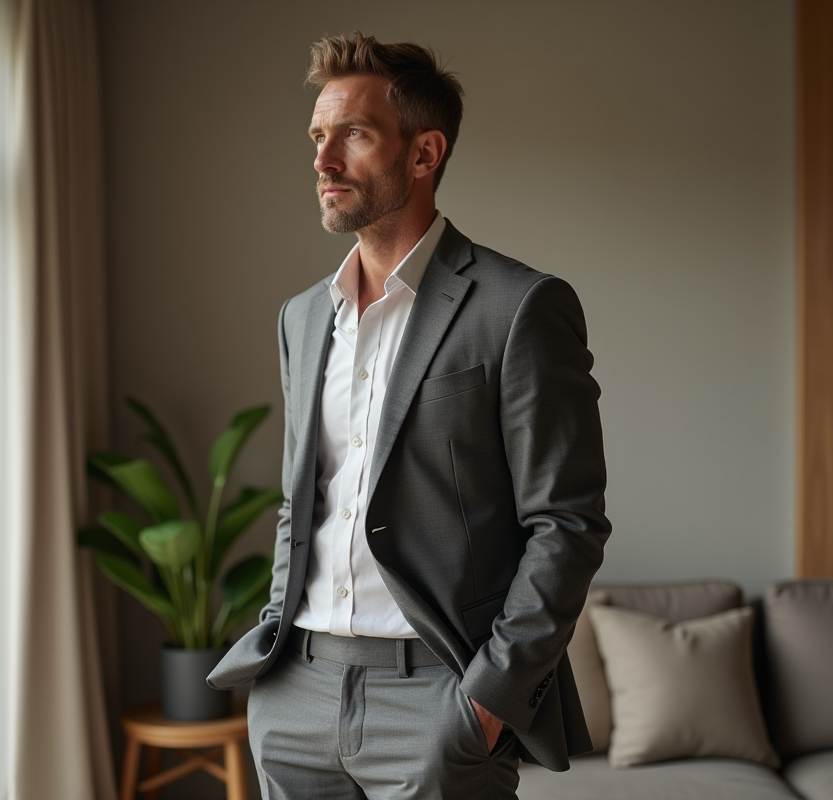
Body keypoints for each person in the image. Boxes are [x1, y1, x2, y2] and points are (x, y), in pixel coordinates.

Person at [208, 31, 610, 799]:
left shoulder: (519, 307)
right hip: (296, 696)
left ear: (424, 154)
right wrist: (275, 663)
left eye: (352, 136)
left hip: (437, 702)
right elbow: (305, 503)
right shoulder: (302, 318)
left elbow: (566, 522)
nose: (323, 161)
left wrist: (487, 702)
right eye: (318, 137)